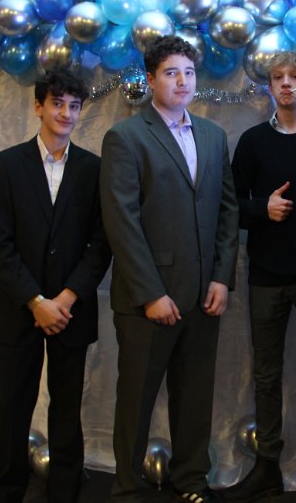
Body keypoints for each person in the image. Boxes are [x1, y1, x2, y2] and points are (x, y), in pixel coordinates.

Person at [100, 35, 239, 503]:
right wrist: (150, 293)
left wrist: (221, 277)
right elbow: (121, 221)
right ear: (151, 79)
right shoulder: (126, 137)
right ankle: (126, 488)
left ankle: (191, 481)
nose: (183, 81)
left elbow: (227, 212)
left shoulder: (214, 136)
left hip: (203, 295)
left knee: (194, 397)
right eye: (171, 73)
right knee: (136, 399)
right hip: (149, 298)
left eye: (189, 72)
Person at [0, 67, 112, 503]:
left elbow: (101, 243)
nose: (66, 113)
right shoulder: (6, 165)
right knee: (11, 407)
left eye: (74, 106)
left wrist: (67, 297)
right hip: (19, 308)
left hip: (71, 310)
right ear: (38, 106)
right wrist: (36, 300)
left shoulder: (93, 169)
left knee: (67, 407)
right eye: (57, 103)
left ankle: (64, 490)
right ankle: (6, 492)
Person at [223, 51, 296, 501]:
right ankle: (267, 467)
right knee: (266, 376)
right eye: (277, 77)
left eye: (294, 77)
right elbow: (230, 205)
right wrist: (261, 209)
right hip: (267, 275)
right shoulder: (253, 141)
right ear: (269, 86)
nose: (286, 83)